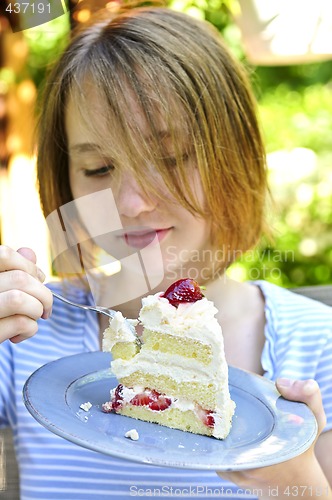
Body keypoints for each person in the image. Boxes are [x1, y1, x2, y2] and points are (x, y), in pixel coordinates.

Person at [0, 4, 331, 499]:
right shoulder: (25, 342)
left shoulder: (318, 345)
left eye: (170, 158)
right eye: (99, 169)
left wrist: (292, 482)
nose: (133, 203)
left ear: (235, 152)